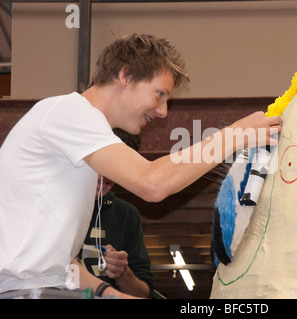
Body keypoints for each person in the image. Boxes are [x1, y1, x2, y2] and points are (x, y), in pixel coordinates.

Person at [0, 33, 281, 298]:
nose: (163, 111)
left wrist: (109, 293)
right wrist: (235, 134)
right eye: (159, 94)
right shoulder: (70, 113)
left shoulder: (80, 141)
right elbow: (153, 182)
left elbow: (60, 261)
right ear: (125, 75)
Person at [79, 128, 153, 298]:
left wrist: (123, 274)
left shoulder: (126, 214)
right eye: (104, 163)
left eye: (119, 167)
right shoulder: (55, 202)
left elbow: (145, 292)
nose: (108, 174)